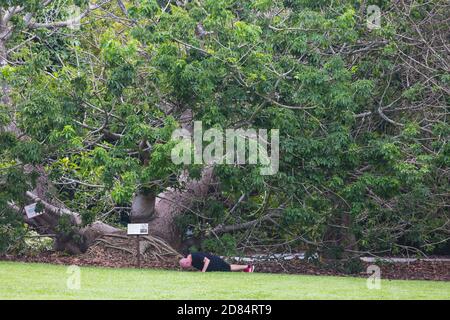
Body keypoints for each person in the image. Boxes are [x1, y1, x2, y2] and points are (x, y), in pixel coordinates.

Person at [179, 252, 255, 273]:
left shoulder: (194, 256)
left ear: (187, 262)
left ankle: (248, 267)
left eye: (187, 266)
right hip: (211, 264)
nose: (189, 266)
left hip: (214, 261)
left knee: (229, 268)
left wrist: (203, 271)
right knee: (228, 267)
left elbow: (207, 260)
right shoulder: (188, 257)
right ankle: (247, 268)